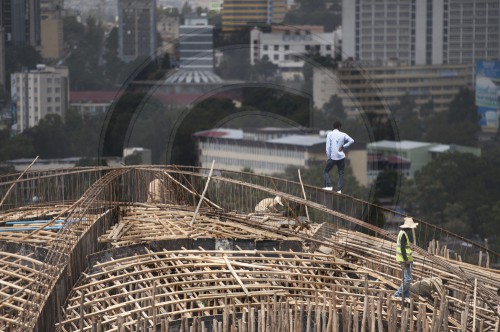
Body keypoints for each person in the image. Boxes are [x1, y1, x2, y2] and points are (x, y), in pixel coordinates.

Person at [323, 121, 354, 193]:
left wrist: (329, 157)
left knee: (325, 171)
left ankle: (328, 186)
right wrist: (344, 146)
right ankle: (339, 190)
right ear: (339, 127)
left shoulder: (330, 134)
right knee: (341, 173)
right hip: (341, 157)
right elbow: (352, 141)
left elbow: (328, 147)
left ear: (333, 127)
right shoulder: (343, 134)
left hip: (333, 157)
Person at [392, 216, 418, 302]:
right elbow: (403, 249)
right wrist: (406, 259)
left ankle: (406, 295)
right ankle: (398, 294)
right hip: (404, 259)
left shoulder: (403, 233)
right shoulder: (403, 234)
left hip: (405, 258)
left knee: (406, 278)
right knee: (408, 279)